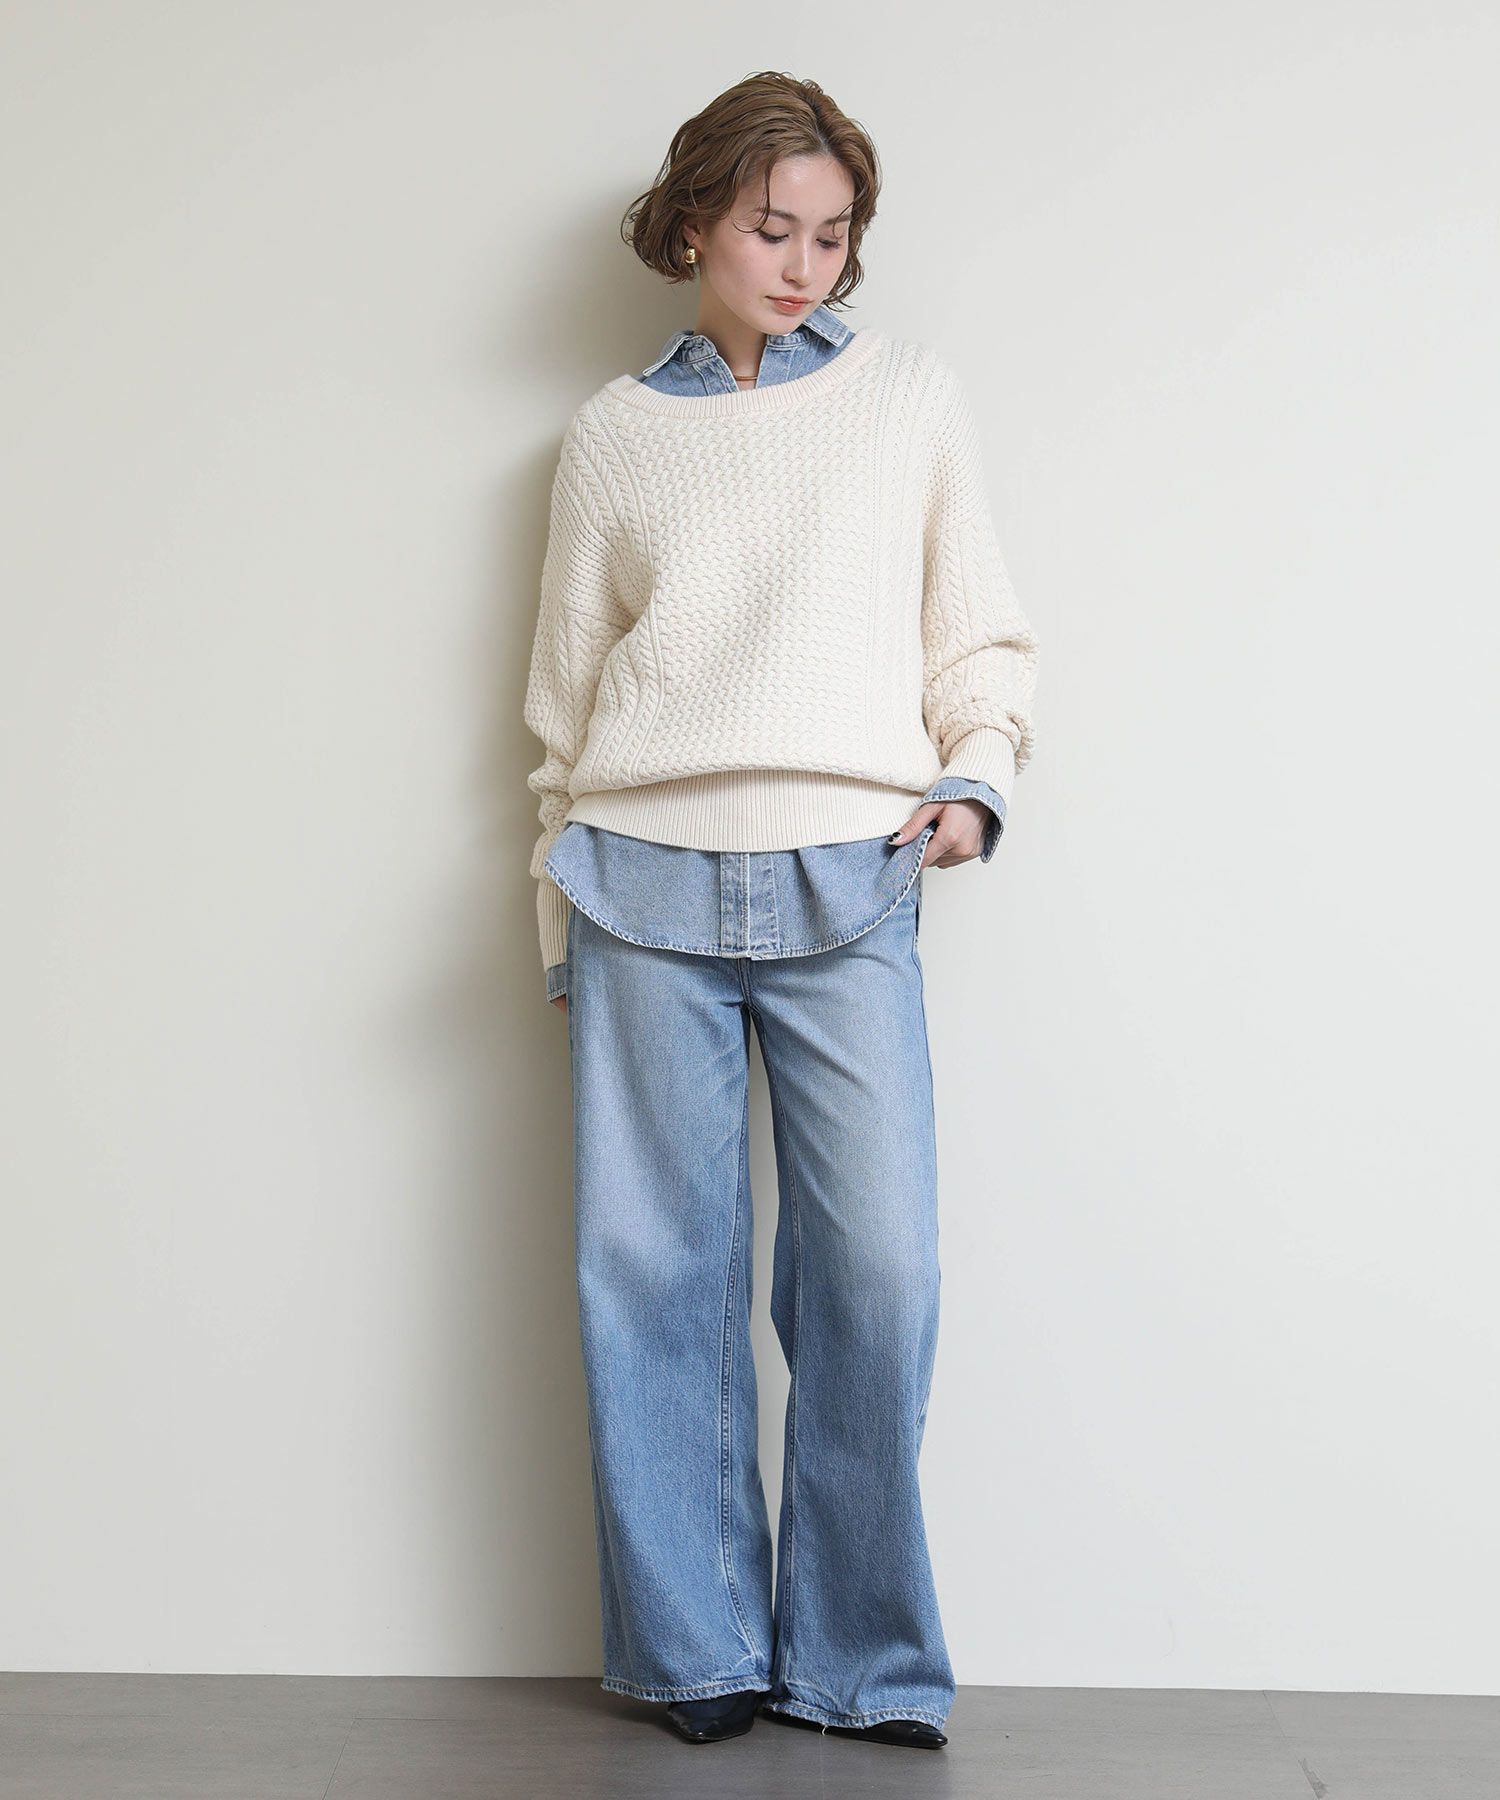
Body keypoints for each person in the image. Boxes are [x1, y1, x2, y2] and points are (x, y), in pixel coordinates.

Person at [521, 71, 1039, 1752]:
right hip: (638, 878)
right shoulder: (612, 435)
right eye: (771, 229)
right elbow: (563, 709)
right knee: (650, 1275)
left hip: (853, 869)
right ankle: (697, 1656)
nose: (805, 263)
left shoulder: (909, 400)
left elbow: (978, 634)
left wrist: (974, 779)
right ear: (694, 225)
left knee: (879, 1272)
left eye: (832, 235)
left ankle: (861, 1664)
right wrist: (555, 929)